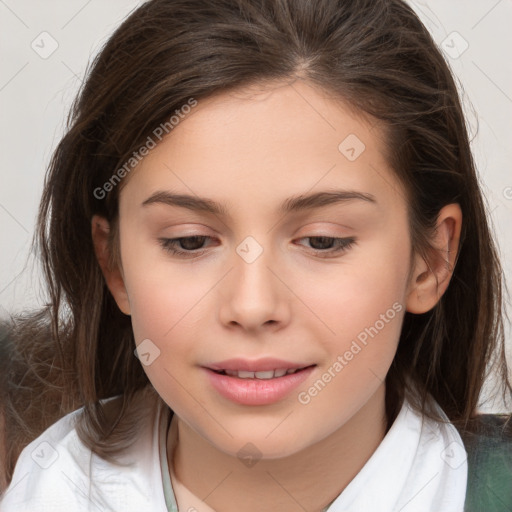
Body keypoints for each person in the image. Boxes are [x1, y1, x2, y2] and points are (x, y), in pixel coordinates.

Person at [0, 0, 511, 510]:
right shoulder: (46, 490)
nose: (251, 305)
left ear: (431, 261)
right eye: (189, 241)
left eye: (323, 241)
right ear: (115, 266)